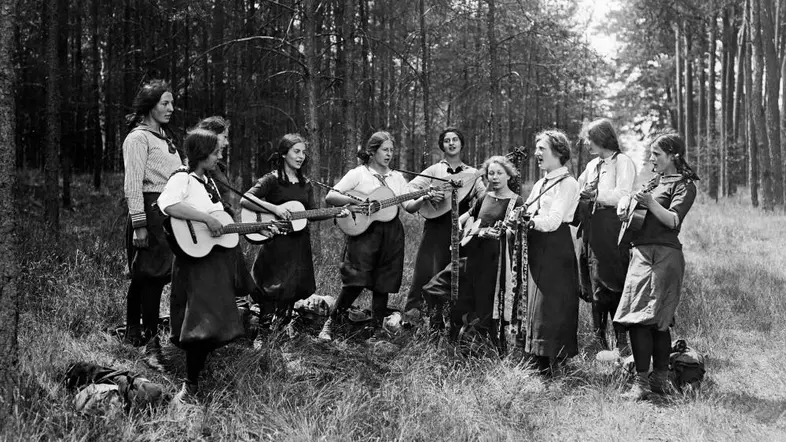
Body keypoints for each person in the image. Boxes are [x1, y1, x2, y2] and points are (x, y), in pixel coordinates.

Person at [157, 129, 252, 401]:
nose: (220, 155)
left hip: (212, 262)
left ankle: (198, 373)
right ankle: (190, 385)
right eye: (216, 151)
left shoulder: (207, 181)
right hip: (194, 263)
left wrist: (258, 229)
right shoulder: (183, 178)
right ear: (201, 153)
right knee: (199, 322)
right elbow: (168, 205)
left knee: (213, 318)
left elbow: (220, 222)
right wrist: (206, 219)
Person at [318, 131, 431, 341]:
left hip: (392, 233)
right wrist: (356, 203)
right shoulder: (359, 174)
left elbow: (408, 205)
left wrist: (423, 198)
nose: (389, 154)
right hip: (364, 232)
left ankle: (376, 331)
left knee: (384, 282)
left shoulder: (396, 177)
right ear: (373, 151)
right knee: (356, 279)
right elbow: (331, 195)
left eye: (391, 151)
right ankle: (331, 323)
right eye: (384, 150)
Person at [614, 133, 698, 400]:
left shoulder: (685, 185)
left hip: (665, 255)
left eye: (657, 154)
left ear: (673, 155)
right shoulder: (654, 181)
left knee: (659, 323)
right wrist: (625, 209)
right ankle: (641, 383)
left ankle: (659, 383)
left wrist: (649, 203)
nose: (652, 159)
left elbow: (673, 221)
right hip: (640, 253)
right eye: (650, 154)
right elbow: (637, 215)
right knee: (637, 320)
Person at [242, 134, 347, 343]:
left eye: (303, 152)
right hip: (276, 242)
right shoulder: (271, 179)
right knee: (270, 287)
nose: (301, 156)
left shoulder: (305, 184)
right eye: (296, 151)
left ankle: (280, 333)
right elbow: (246, 199)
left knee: (291, 290)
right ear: (283, 153)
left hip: (299, 244)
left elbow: (311, 213)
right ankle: (263, 334)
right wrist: (276, 209)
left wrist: (338, 211)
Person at [421, 155, 523, 345]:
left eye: (499, 173)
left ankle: (473, 343)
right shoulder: (484, 197)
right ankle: (442, 330)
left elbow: (511, 232)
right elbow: (462, 219)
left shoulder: (515, 201)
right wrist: (462, 232)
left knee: (485, 306)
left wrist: (498, 234)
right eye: (491, 173)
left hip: (493, 261)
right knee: (433, 288)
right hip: (469, 256)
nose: (494, 177)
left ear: (509, 175)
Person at [121, 80, 182, 352]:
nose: (171, 108)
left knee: (151, 274)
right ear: (150, 106)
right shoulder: (138, 138)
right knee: (148, 274)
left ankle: (141, 332)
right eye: (164, 103)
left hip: (166, 212)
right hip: (148, 210)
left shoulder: (165, 137)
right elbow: (133, 184)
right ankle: (144, 335)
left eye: (172, 103)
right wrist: (139, 225)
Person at [404, 128, 486, 329]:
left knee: (456, 274)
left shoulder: (472, 173)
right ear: (442, 145)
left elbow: (484, 197)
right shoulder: (434, 170)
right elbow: (409, 189)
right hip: (435, 229)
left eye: (455, 139)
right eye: (447, 140)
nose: (451, 143)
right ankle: (422, 318)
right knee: (429, 271)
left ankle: (456, 320)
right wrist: (428, 194)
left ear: (461, 143)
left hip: (460, 231)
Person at [518, 129, 580, 376]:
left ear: (559, 152)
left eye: (542, 149)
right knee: (536, 303)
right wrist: (520, 215)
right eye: (537, 149)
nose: (537, 154)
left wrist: (531, 222)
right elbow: (528, 209)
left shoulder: (568, 183)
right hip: (537, 245)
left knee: (552, 305)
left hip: (556, 247)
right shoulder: (541, 183)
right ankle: (537, 358)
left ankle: (555, 361)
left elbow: (554, 220)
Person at [575, 119, 636, 357]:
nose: (587, 143)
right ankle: (597, 339)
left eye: (590, 139)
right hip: (590, 228)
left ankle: (622, 340)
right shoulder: (592, 166)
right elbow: (580, 188)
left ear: (601, 137)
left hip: (612, 228)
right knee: (593, 282)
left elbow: (623, 193)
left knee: (613, 281)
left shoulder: (623, 162)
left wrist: (596, 195)